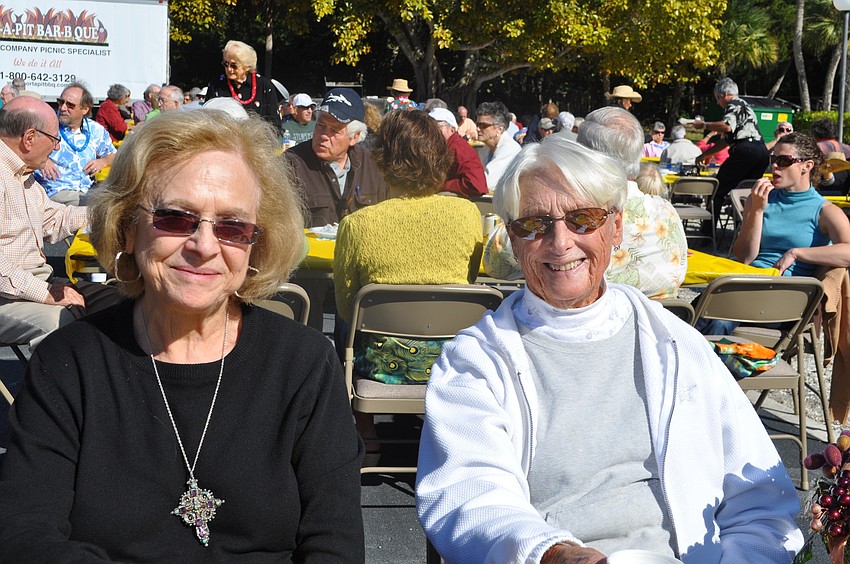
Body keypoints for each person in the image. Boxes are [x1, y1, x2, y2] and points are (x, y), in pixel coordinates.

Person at [415, 135, 804, 563]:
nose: (560, 242)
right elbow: (468, 492)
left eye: (582, 219)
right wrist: (550, 553)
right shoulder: (476, 360)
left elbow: (761, 500)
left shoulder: (675, 344)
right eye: (533, 224)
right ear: (511, 238)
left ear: (615, 227)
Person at [0, 110, 364, 561]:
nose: (204, 245)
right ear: (128, 229)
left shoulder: (304, 363)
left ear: (257, 244)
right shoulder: (69, 363)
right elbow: (26, 537)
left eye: (233, 226)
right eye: (174, 217)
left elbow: (335, 544)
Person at [334, 109, 482, 462]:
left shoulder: (358, 225)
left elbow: (345, 307)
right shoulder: (468, 216)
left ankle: (365, 428)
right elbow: (469, 285)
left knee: (346, 326)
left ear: (382, 161)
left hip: (380, 362)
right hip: (451, 360)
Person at [0, 96, 115, 349]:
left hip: (35, 284)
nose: (55, 149)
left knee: (120, 303)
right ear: (29, 138)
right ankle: (51, 389)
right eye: (54, 140)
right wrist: (47, 294)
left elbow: (53, 219)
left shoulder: (24, 175)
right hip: (6, 297)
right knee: (65, 324)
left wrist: (110, 212)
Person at [579, 107, 687, 300]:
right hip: (662, 324)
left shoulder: (580, 218)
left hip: (603, 326)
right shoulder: (666, 211)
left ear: (588, 157)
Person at [734, 132, 850, 277]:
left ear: (806, 166)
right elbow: (744, 257)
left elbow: (848, 252)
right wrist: (757, 211)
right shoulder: (760, 199)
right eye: (773, 159)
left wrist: (796, 253)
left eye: (784, 161)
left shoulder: (825, 211)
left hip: (789, 290)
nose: (775, 166)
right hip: (748, 278)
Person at [284, 87, 388, 227]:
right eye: (320, 125)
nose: (324, 135)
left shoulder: (374, 167)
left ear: (354, 137)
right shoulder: (291, 164)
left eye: (334, 130)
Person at [694, 77, 769, 220]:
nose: (718, 102)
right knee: (748, 193)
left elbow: (727, 126)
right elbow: (726, 140)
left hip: (746, 151)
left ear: (724, 95)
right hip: (761, 152)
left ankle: (708, 232)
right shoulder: (747, 107)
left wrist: (704, 125)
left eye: (717, 98)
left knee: (717, 190)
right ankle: (744, 227)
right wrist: (704, 155)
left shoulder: (733, 104)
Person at [34, 82, 116, 206]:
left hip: (87, 191)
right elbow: (20, 147)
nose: (63, 108)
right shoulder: (44, 123)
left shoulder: (95, 130)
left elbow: (114, 155)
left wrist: (103, 161)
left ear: (85, 109)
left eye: (70, 105)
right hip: (54, 192)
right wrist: (41, 161)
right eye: (61, 102)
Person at [205, 40, 280, 126]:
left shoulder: (264, 85)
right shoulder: (216, 85)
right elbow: (207, 118)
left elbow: (274, 123)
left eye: (234, 65)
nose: (229, 69)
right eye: (226, 64)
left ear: (247, 66)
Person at [429, 107, 487, 198]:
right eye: (428, 126)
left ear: (452, 129)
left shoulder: (460, 148)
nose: (431, 131)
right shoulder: (440, 147)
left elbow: (476, 185)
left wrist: (441, 186)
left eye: (436, 126)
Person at [476, 100, 522, 191]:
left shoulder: (509, 149)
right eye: (477, 124)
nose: (477, 129)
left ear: (499, 129)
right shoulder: (486, 148)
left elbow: (486, 183)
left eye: (483, 125)